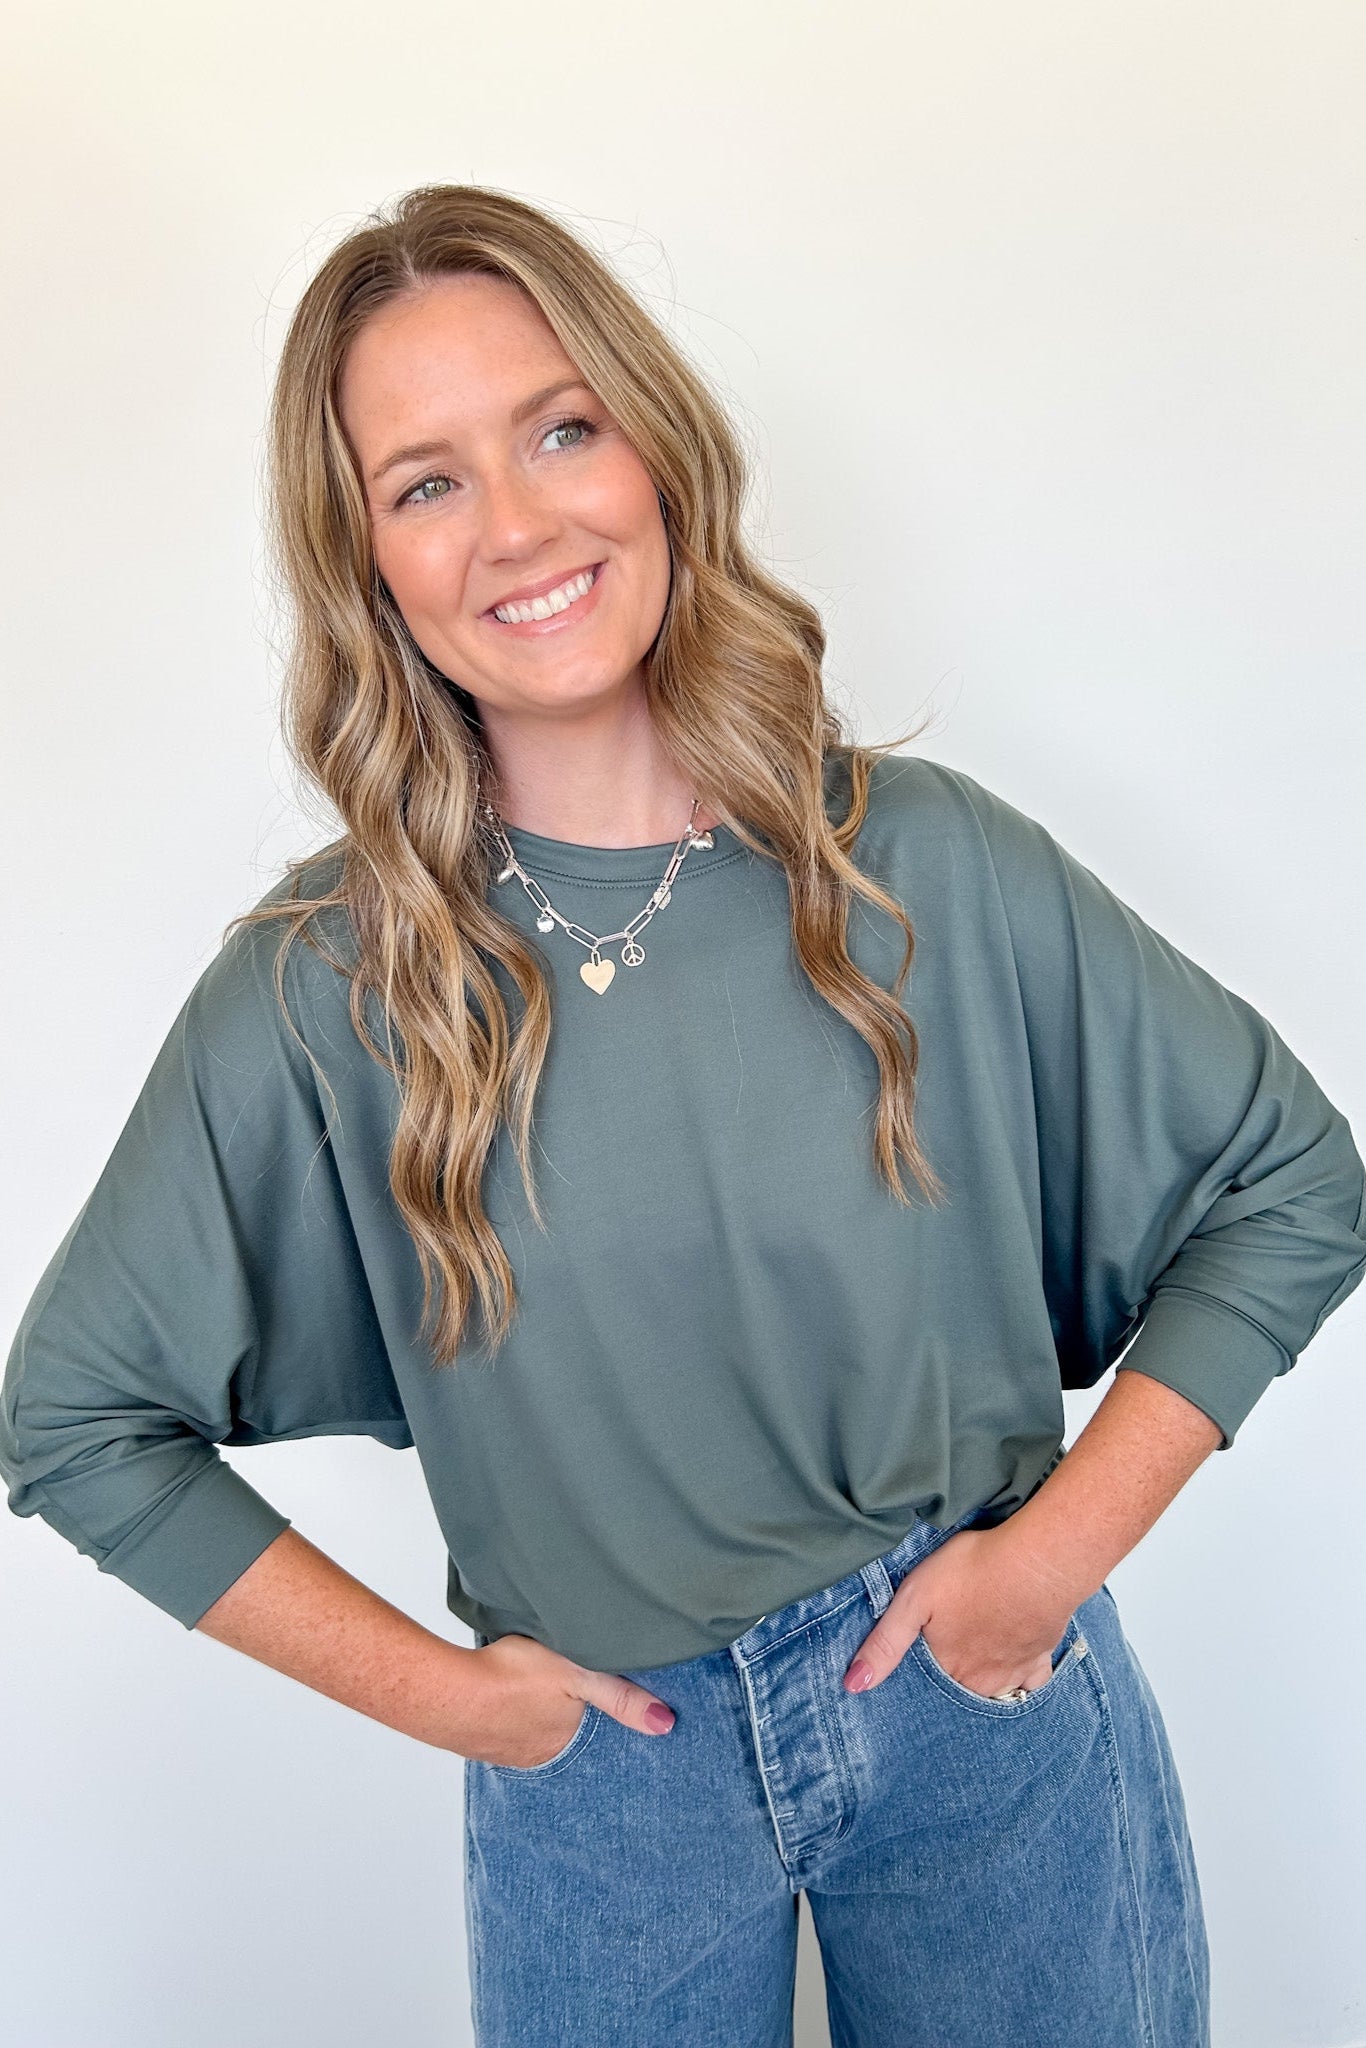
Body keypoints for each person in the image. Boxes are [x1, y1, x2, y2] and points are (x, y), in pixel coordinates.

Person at [3, 182, 1363, 2048]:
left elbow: (1292, 1181)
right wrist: (455, 1705)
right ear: (367, 564)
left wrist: (1036, 1573)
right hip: (604, 1787)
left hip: (981, 1718)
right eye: (426, 481)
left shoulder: (919, 868)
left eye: (560, 427)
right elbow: (72, 1421)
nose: (519, 524)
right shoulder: (328, 984)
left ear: (653, 454)